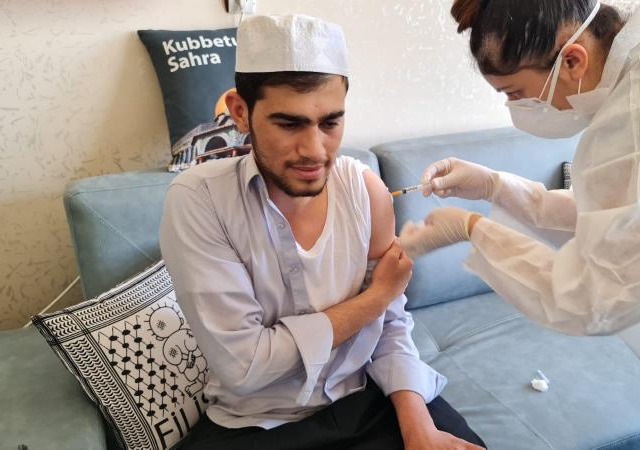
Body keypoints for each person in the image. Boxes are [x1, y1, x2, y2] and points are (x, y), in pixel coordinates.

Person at [399, 1, 640, 449]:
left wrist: (471, 228)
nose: (515, 108)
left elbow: (590, 296)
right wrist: (496, 186)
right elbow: (632, 217)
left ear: (572, 60)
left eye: (515, 93)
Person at [159, 14, 485, 450]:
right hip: (256, 423)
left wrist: (418, 429)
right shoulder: (200, 200)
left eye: (330, 123)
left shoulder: (366, 190)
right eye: (289, 124)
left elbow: (390, 327)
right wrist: (375, 297)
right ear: (241, 112)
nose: (314, 151)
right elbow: (245, 366)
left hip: (369, 397)